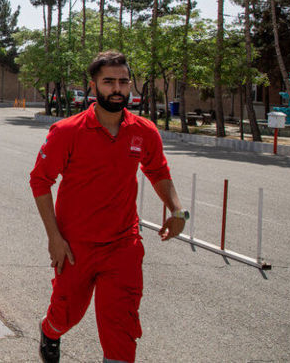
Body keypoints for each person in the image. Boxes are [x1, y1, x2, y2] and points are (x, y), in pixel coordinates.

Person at [30, 51, 187, 363]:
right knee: (66, 314)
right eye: (109, 82)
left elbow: (157, 171)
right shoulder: (67, 132)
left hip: (122, 245)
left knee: (121, 329)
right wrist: (54, 238)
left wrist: (176, 209)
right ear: (93, 86)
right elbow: (40, 182)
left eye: (123, 81)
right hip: (75, 246)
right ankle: (50, 330)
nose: (117, 88)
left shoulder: (143, 131)